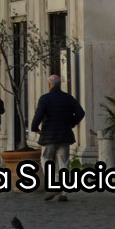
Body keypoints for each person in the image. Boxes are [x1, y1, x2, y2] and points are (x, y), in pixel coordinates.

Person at [30, 74, 85, 202]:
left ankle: (53, 185)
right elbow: (80, 113)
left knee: (46, 160)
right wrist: (71, 123)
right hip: (64, 135)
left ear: (49, 85)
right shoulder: (68, 98)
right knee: (63, 163)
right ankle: (64, 193)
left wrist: (34, 127)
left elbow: (38, 115)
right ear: (59, 85)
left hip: (49, 135)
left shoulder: (45, 99)